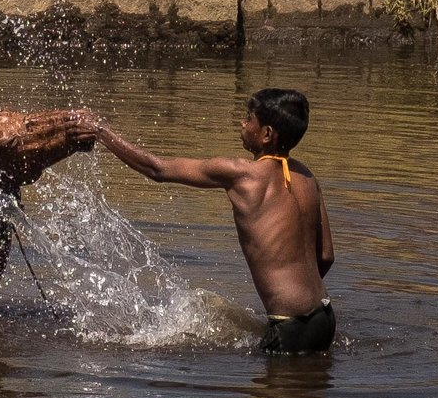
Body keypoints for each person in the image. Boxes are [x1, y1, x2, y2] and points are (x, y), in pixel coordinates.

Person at [91, 88, 336, 353]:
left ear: (266, 134)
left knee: (273, 394)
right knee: (310, 392)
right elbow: (326, 256)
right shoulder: (307, 178)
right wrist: (296, 295)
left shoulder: (244, 175)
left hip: (288, 325)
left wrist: (101, 131)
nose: (242, 123)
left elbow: (157, 168)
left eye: (248, 118)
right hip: (324, 316)